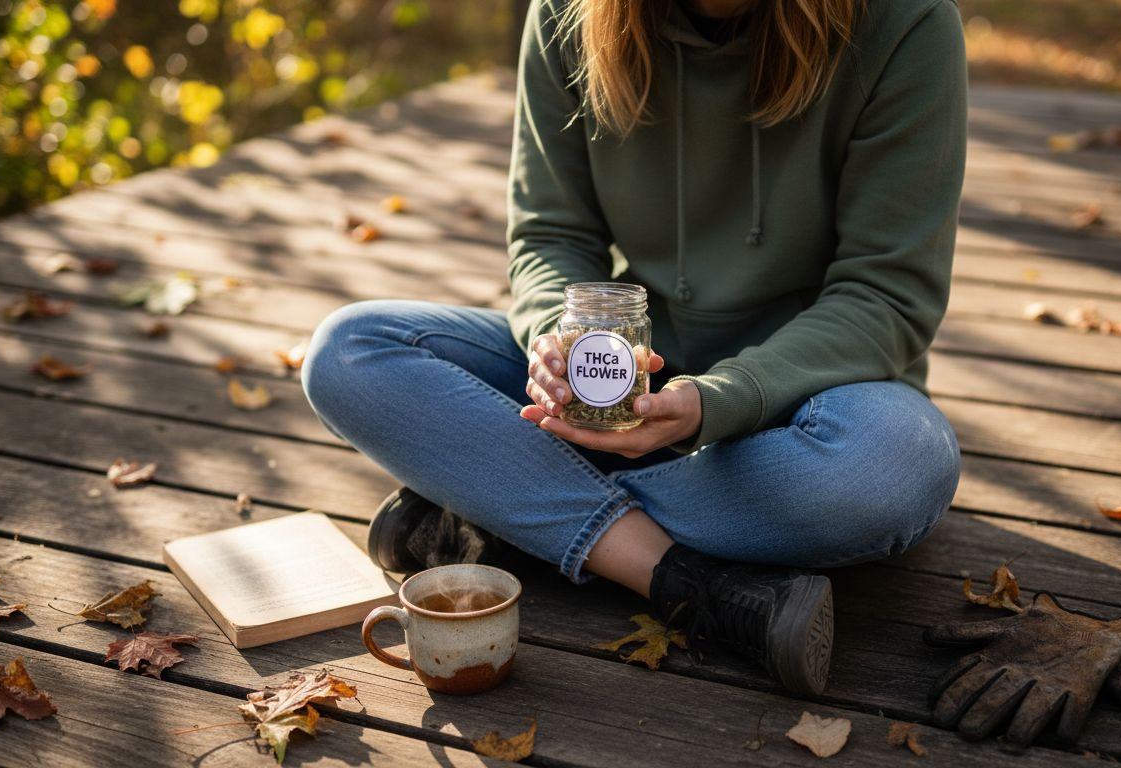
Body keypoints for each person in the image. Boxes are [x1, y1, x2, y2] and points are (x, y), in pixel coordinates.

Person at [302, 0, 965, 697]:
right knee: (350, 352)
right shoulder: (568, 13)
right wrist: (556, 341)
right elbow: (552, 235)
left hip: (805, 404)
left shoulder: (906, 23)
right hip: (622, 388)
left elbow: (885, 294)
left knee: (896, 466)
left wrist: (717, 400)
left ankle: (508, 506)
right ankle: (677, 576)